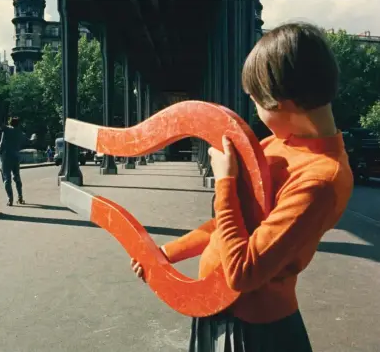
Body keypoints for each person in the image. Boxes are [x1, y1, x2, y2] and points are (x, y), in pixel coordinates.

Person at [131, 23, 353, 352]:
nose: (255, 112)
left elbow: (243, 273)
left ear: (281, 101)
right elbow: (229, 225)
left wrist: (226, 181)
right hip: (219, 310)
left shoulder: (321, 178)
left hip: (256, 332)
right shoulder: (276, 145)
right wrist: (166, 254)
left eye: (256, 101)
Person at [0, 101, 37, 206]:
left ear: (10, 123)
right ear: (19, 124)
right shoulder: (21, 133)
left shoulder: (6, 130)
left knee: (7, 179)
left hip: (6, 156)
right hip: (16, 157)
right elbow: (30, 141)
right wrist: (34, 136)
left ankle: (10, 199)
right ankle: (20, 197)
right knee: (17, 177)